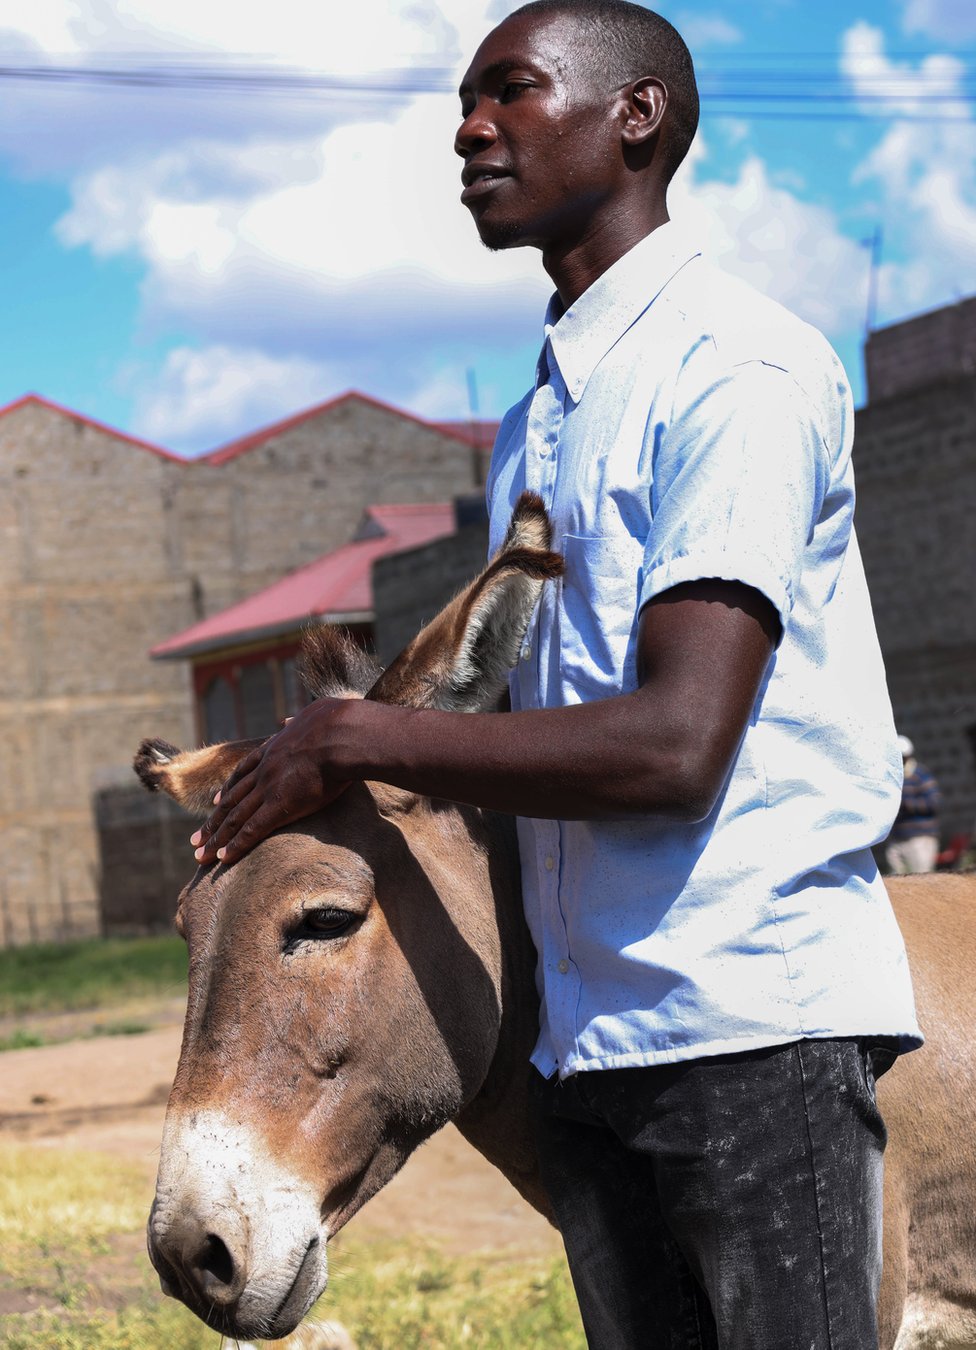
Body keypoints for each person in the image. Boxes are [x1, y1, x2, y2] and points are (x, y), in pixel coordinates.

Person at [190, 2, 922, 1344]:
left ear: (636, 115)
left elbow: (674, 739)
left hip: (747, 1029)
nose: (469, 130)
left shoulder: (736, 366)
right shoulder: (539, 419)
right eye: (464, 103)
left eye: (510, 93)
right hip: (589, 1051)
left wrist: (358, 737)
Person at [886, 735, 941, 874]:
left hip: (919, 838)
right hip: (898, 837)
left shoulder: (920, 775)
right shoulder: (892, 778)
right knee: (896, 879)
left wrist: (907, 805)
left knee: (921, 879)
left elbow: (934, 802)